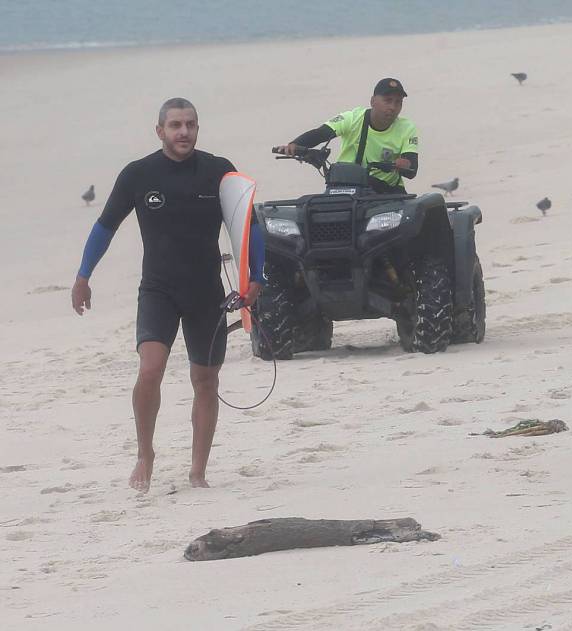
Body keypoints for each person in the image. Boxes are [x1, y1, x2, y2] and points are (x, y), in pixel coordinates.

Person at [70, 97, 265, 493]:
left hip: (206, 292)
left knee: (205, 380)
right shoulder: (138, 175)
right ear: (159, 131)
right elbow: (106, 226)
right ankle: (145, 453)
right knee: (150, 370)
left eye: (190, 124)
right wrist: (83, 275)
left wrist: (255, 278)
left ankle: (198, 469)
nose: (184, 132)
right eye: (175, 125)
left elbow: (249, 225)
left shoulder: (218, 171)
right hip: (158, 289)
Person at [274, 78, 419, 194]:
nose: (393, 107)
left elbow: (412, 169)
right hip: (346, 185)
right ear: (373, 101)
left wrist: (405, 165)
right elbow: (321, 133)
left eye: (398, 103)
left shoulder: (407, 128)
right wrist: (294, 145)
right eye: (388, 100)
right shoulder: (352, 118)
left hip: (387, 190)